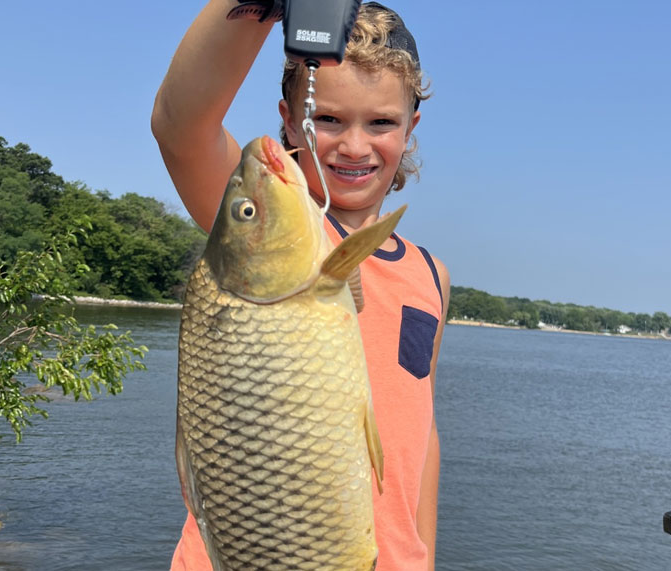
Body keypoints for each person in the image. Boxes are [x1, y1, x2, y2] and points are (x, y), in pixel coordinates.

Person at [151, 2, 449, 569]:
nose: (355, 147)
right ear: (291, 120)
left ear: (411, 126)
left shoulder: (431, 274)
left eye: (381, 122)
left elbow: (422, 436)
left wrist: (423, 557)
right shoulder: (263, 232)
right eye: (329, 120)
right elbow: (178, 124)